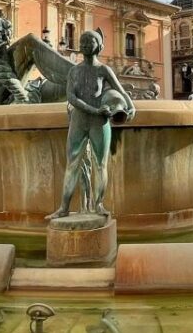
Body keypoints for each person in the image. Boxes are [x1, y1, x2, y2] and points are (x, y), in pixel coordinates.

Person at [46, 29, 136, 219]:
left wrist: (130, 106)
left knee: (101, 164)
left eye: (90, 41)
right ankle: (63, 207)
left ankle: (99, 205)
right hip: (81, 120)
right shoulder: (74, 71)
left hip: (99, 123)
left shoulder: (103, 70)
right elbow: (71, 97)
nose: (85, 44)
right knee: (72, 164)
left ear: (99, 47)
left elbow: (121, 90)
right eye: (83, 41)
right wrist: (94, 110)